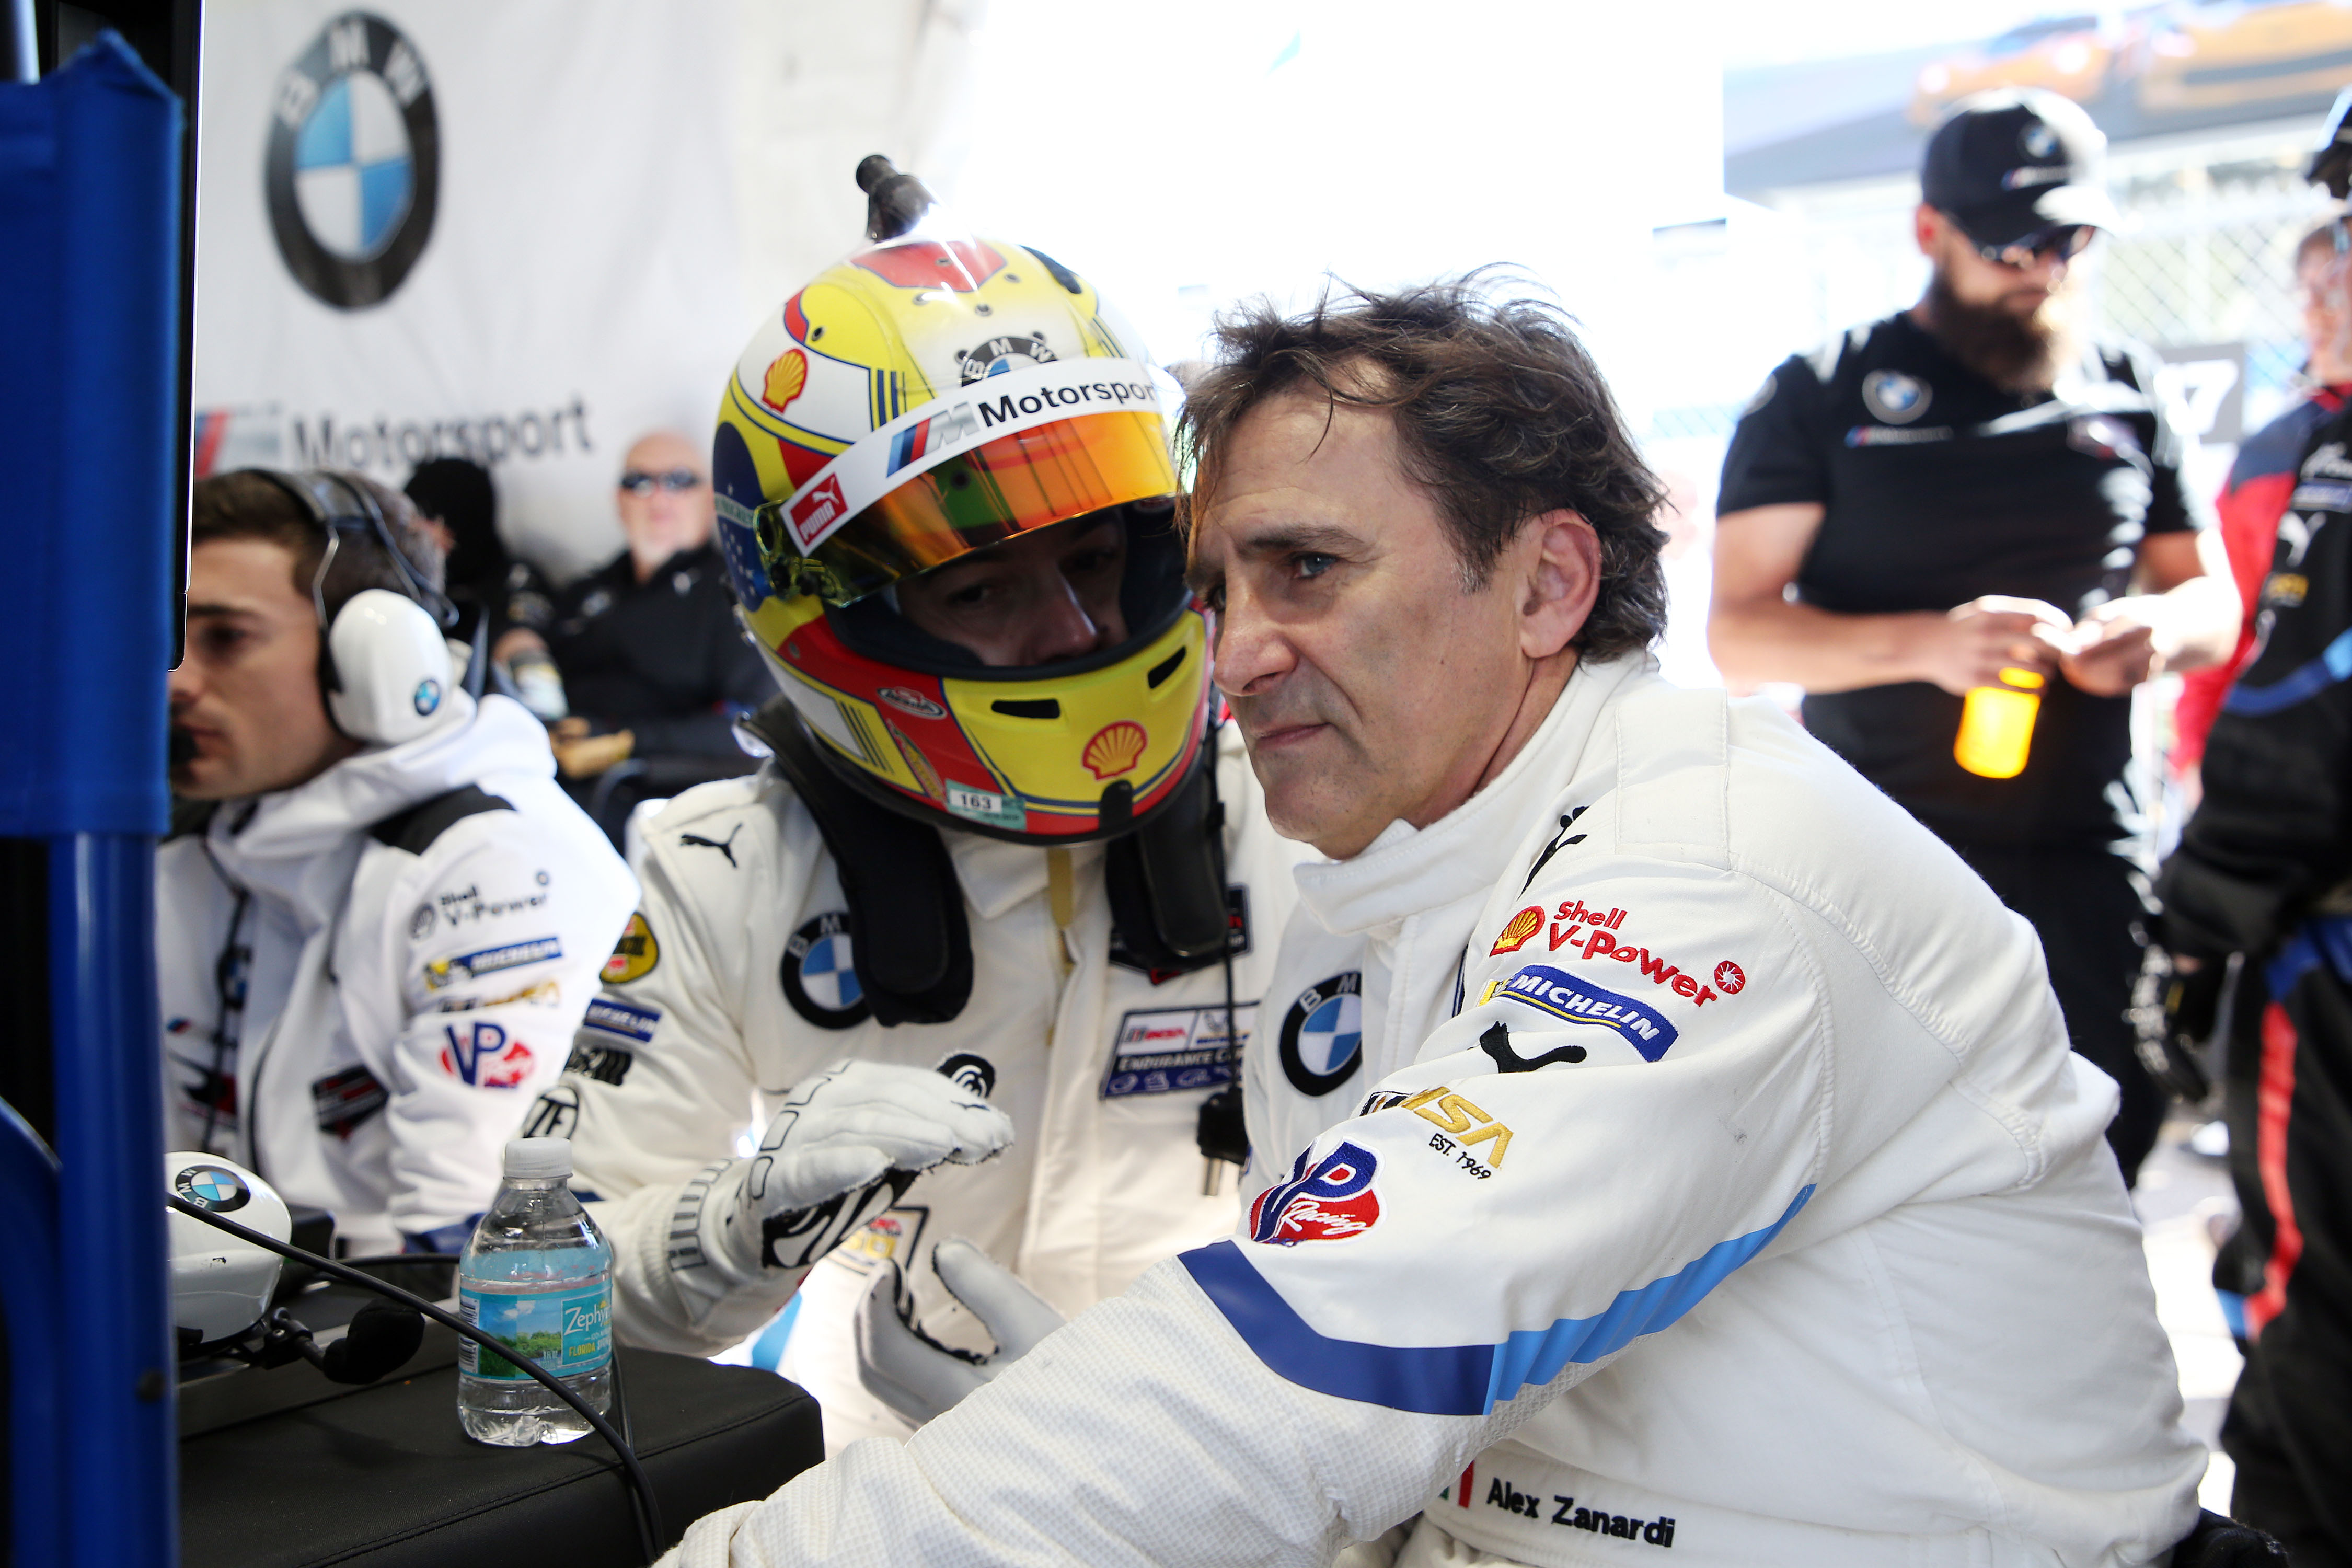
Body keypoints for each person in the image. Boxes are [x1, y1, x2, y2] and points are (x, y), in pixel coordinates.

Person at [658, 280, 2219, 1567]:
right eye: (1217, 587)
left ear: (1545, 587)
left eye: (1306, 570)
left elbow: (1330, 1354)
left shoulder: (1711, 870)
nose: (1233, 653)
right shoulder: (1377, 881)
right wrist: (1078, 1436)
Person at [525, 160, 1308, 1447]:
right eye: (982, 589)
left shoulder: (1301, 813)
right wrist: (742, 1223)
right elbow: (531, 1309)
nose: (1075, 630)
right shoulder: (727, 868)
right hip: (882, 1486)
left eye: (1096, 558)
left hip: (1238, 1474)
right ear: (846, 620)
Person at [1709, 88, 2238, 1185]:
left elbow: (2212, 603)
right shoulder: (1826, 391)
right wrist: (1928, 645)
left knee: (2107, 1138)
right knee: (1892, 1165)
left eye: (2068, 239)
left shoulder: (2126, 389)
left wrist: (2151, 634)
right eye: (2009, 243)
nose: (2040, 268)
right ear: (1929, 231)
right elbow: (1740, 635)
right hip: (1883, 852)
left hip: (2084, 848)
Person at [158, 469, 637, 1255]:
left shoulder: (498, 870)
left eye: (226, 637)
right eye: (169, 637)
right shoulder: (193, 851)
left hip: (399, 1317)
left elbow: (477, 1253)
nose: (175, 679)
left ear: (377, 658)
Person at [2153, 119, 2352, 1564]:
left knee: (2313, 1295)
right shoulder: (2293, 439)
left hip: (2322, 938)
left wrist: (2192, 927)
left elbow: (2299, 707)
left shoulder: (2327, 456)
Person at [2172, 220, 2352, 786]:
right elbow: (2234, 621)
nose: (2320, 313)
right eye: (2308, 292)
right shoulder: (2270, 454)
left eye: (2339, 288)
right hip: (2299, 764)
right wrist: (2195, 756)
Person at [542, 431, 774, 837]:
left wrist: (628, 743)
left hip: (650, 802)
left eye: (680, 481)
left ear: (710, 499)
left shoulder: (732, 593)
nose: (658, 498)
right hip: (547, 778)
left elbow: (754, 727)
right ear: (619, 501)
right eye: (639, 482)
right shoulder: (587, 594)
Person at [402, 456, 568, 721]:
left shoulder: (515, 581)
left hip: (495, 734)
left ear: (457, 525)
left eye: (426, 521)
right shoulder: (409, 585)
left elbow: (538, 689)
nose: (411, 537)